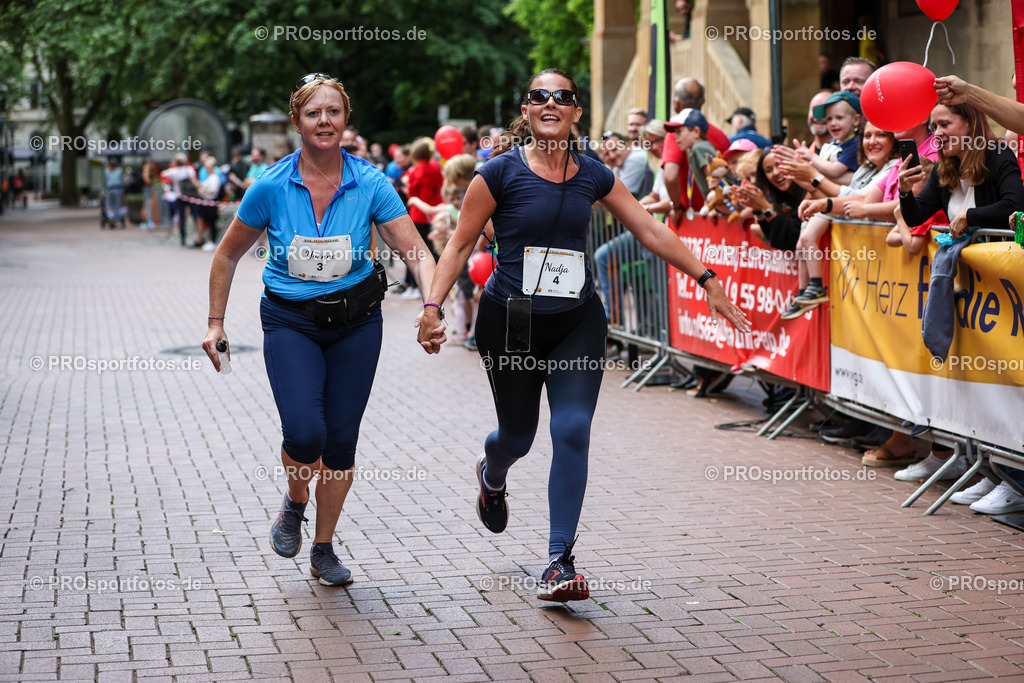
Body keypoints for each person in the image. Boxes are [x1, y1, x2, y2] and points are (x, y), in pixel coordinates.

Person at [414, 68, 750, 603]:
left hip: (577, 319)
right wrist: (433, 307)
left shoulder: (594, 174)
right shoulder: (496, 173)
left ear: (576, 112)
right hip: (513, 321)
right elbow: (457, 246)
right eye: (539, 96)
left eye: (562, 96)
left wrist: (707, 278)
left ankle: (558, 561)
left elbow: (650, 228)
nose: (551, 103)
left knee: (572, 428)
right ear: (526, 111)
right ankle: (492, 474)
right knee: (518, 438)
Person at [202, 73, 441, 587]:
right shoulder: (270, 184)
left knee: (340, 442)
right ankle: (295, 500)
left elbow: (417, 251)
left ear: (346, 119)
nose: (325, 121)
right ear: (297, 122)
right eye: (314, 113)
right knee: (305, 433)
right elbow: (226, 254)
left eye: (334, 111)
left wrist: (431, 305)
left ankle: (323, 546)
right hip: (291, 320)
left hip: (357, 322)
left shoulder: (370, 182)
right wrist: (215, 322)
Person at [893, 101, 1024, 487]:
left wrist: (971, 217)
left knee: (1001, 380)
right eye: (933, 127)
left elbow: (1015, 206)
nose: (937, 134)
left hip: (999, 291)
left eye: (945, 124)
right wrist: (904, 191)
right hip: (965, 293)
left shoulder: (997, 154)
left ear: (970, 123)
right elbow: (917, 217)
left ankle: (1007, 477)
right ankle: (987, 470)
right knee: (970, 378)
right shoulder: (945, 167)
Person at [102, 158, 125, 228]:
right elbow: (122, 181)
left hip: (110, 190)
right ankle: (116, 220)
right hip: (118, 189)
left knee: (109, 205)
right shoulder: (119, 171)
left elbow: (104, 182)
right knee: (117, 206)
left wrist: (103, 191)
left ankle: (111, 217)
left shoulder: (106, 171)